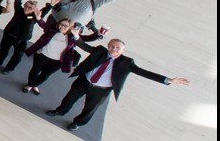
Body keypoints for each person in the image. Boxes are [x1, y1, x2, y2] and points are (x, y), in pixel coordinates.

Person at [46, 38, 190, 131]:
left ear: (122, 50)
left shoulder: (127, 63)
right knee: (70, 97)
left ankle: (77, 122)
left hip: (101, 90)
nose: (114, 49)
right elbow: (84, 46)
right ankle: (60, 111)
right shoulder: (100, 51)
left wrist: (168, 80)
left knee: (90, 108)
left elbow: (144, 72)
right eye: (112, 46)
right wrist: (76, 36)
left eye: (118, 48)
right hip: (84, 81)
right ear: (108, 45)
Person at [0, 0, 47, 74]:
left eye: (30, 7)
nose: (27, 8)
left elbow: (44, 11)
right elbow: (17, 1)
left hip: (21, 40)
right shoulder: (19, 10)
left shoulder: (34, 17)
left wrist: (50, 5)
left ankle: (9, 69)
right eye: (26, 6)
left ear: (34, 9)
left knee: (18, 56)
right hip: (9, 35)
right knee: (3, 50)